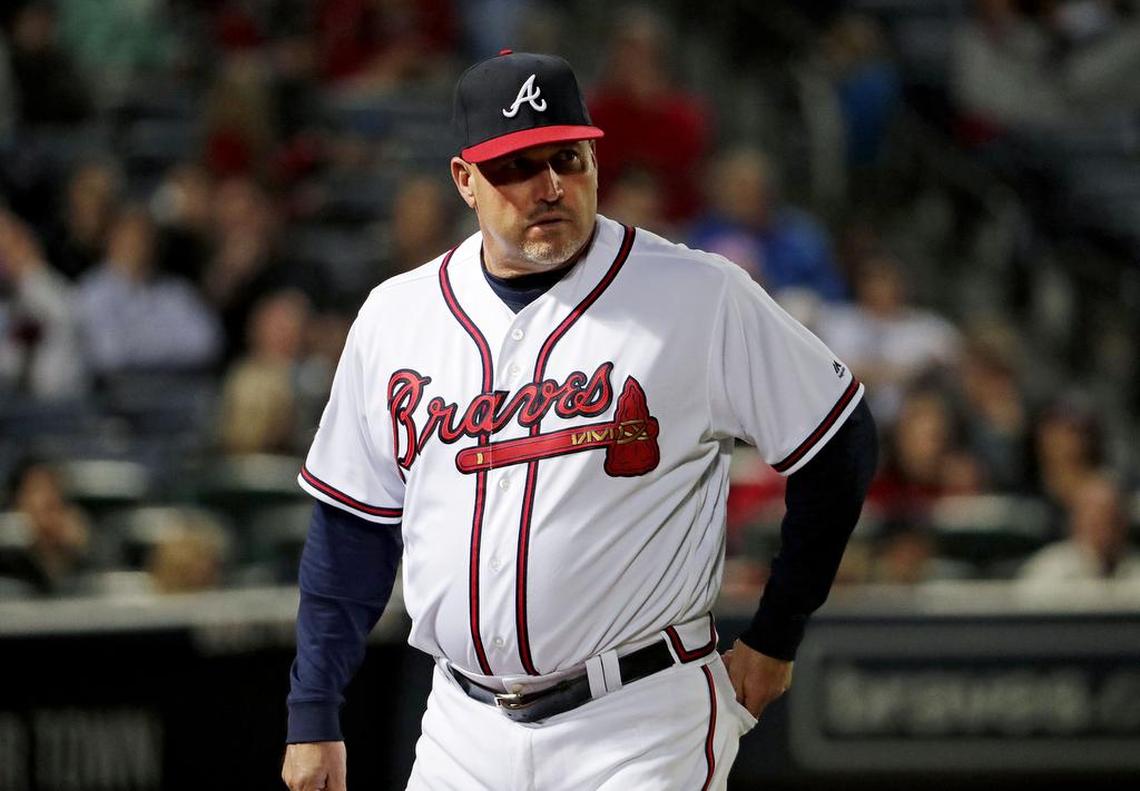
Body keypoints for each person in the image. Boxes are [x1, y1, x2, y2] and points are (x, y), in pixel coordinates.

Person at [282, 51, 877, 790]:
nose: (550, 186)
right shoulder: (397, 317)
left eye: (567, 157)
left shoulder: (696, 294)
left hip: (640, 720)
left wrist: (777, 634)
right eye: (517, 166)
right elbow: (352, 528)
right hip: (461, 728)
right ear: (465, 180)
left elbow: (839, 439)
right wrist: (313, 710)